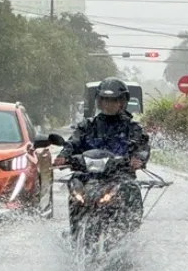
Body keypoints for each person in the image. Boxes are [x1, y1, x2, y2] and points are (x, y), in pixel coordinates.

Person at [54, 77, 151, 213]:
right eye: (104, 100)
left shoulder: (133, 128)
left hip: (119, 175)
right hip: (88, 175)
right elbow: (73, 142)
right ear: (98, 102)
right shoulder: (87, 126)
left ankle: (128, 222)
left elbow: (142, 147)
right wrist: (63, 156)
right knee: (75, 181)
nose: (108, 104)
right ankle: (75, 226)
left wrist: (138, 159)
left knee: (130, 186)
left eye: (113, 100)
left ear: (122, 102)